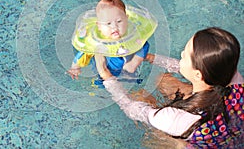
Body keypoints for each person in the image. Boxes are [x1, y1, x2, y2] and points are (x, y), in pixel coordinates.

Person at [95, 27, 243, 148]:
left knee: (139, 96)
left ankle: (174, 141)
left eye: (185, 55)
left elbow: (129, 108)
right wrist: (150, 57)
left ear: (198, 74)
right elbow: (195, 69)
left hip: (193, 138)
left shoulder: (175, 119)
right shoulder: (235, 79)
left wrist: (106, 76)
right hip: (230, 133)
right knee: (162, 80)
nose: (181, 54)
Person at [67, 0, 156, 88]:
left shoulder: (133, 37)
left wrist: (134, 62)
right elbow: (82, 54)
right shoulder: (97, 44)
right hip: (107, 74)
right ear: (99, 26)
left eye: (119, 21)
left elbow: (144, 46)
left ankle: (130, 71)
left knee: (143, 46)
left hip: (127, 69)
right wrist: (75, 67)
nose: (114, 27)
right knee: (101, 85)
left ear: (127, 19)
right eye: (108, 23)